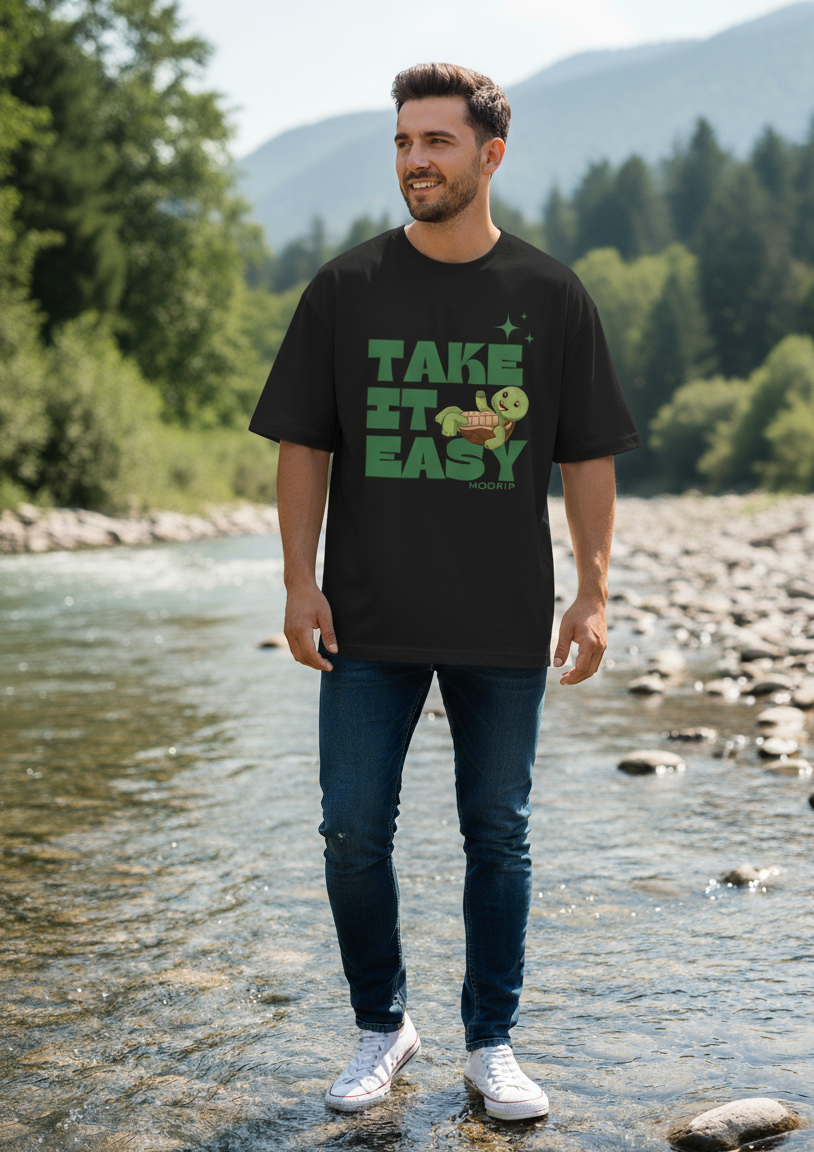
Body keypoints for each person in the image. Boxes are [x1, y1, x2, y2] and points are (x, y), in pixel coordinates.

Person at [249, 62, 640, 1122]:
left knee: (496, 833)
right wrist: (298, 581)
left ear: (489, 155)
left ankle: (492, 1042)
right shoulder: (345, 288)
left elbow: (587, 456)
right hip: (366, 618)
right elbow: (302, 444)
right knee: (350, 829)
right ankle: (383, 1026)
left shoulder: (550, 296)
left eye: (437, 142)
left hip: (501, 618)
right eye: (403, 142)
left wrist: (592, 593)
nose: (415, 160)